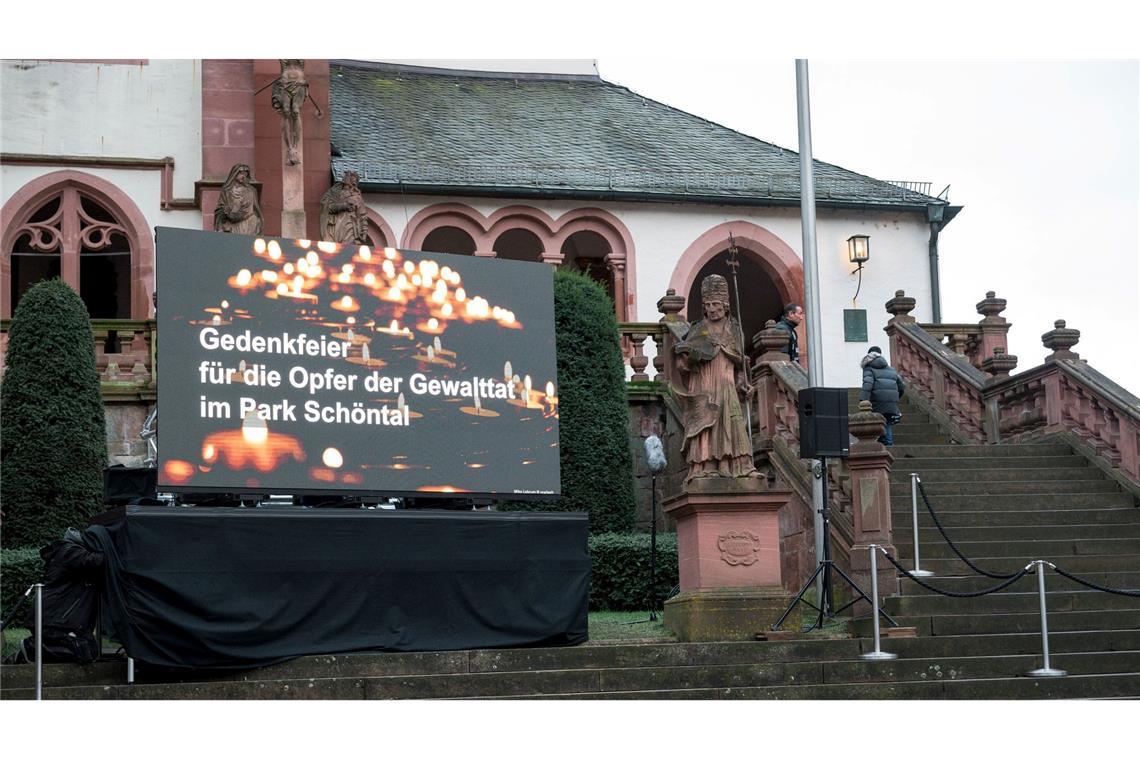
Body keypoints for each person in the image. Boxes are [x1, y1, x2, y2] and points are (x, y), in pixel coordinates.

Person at [672, 274, 759, 482]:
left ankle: (741, 465)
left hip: (727, 384)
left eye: (716, 304)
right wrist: (689, 358)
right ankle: (705, 465)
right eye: (708, 304)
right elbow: (681, 363)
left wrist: (744, 384)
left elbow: (741, 363)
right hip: (704, 384)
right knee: (706, 425)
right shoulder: (697, 330)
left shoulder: (734, 330)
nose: (712, 308)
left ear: (725, 306)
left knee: (734, 424)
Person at [859, 345, 905, 446]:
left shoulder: (868, 368)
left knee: (878, 423)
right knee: (887, 423)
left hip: (877, 401)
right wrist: (895, 398)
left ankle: (887, 446)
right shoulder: (891, 369)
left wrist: (863, 399)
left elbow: (868, 384)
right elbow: (901, 386)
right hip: (891, 401)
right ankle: (886, 445)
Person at [212, 163, 262, 236]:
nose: (244, 176)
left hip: (247, 221)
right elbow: (220, 208)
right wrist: (225, 213)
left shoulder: (251, 190)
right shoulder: (226, 190)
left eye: (246, 174)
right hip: (230, 223)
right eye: (241, 173)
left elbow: (252, 209)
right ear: (235, 174)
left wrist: (237, 216)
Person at [319, 170, 367, 244]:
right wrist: (343, 206)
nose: (351, 181)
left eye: (354, 179)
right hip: (334, 224)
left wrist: (364, 232)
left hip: (350, 225)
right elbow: (327, 206)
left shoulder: (357, 197)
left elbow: (362, 215)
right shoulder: (335, 192)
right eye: (349, 177)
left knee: (347, 247)